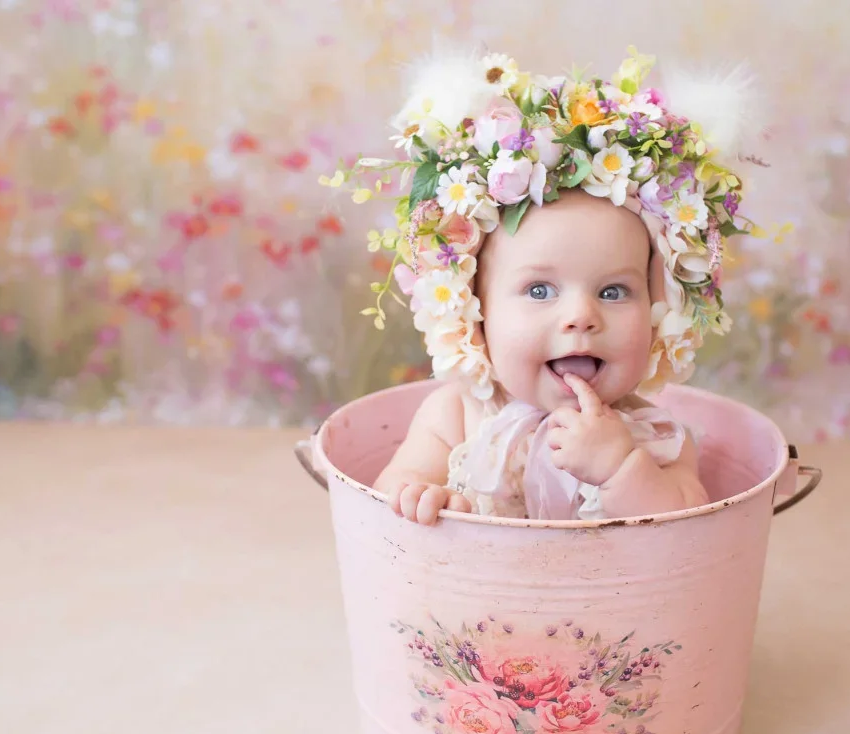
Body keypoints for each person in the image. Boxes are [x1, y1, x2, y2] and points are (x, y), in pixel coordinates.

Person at [324, 47, 764, 523]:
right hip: (475, 595)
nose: (581, 316)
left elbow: (688, 532)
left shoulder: (655, 435)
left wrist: (622, 468)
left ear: (659, 313)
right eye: (539, 291)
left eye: (613, 292)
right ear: (476, 312)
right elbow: (397, 487)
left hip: (615, 599)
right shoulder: (455, 415)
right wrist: (427, 496)